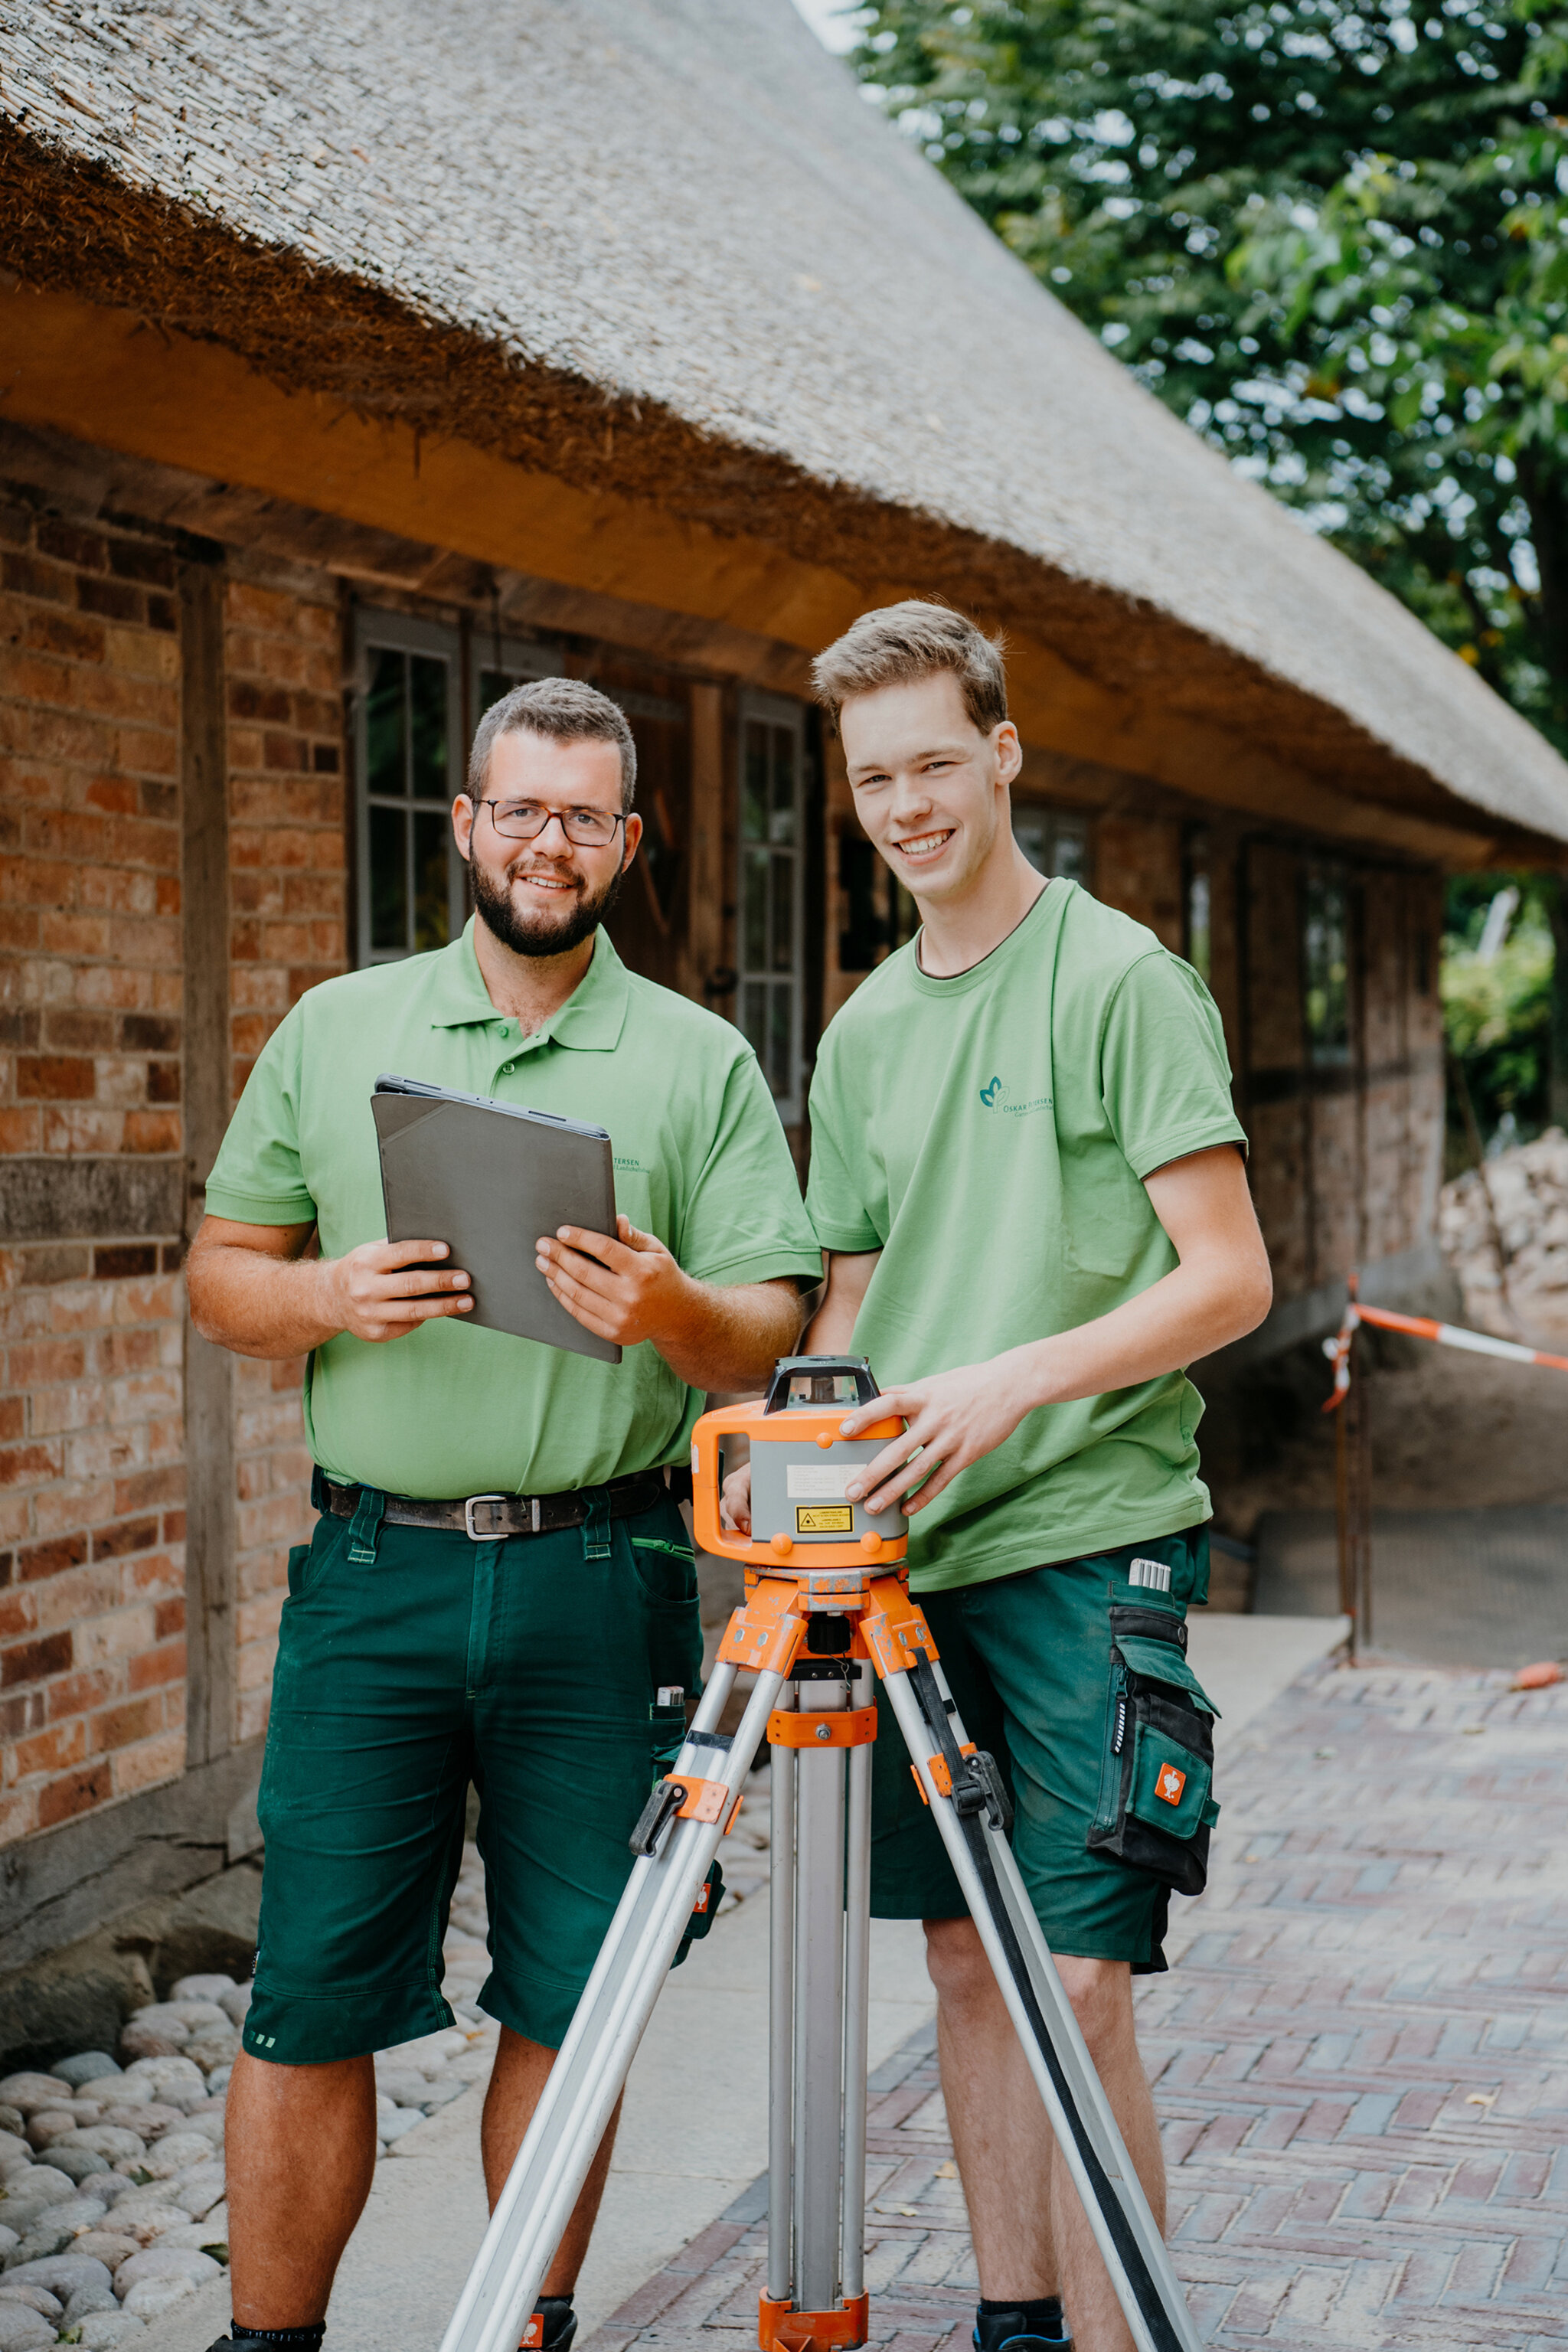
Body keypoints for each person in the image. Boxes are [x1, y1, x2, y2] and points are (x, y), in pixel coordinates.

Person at [188, 677, 823, 2352]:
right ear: (463, 823)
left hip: (599, 1582)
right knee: (308, 1997)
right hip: (372, 1576)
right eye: (519, 808)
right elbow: (218, 1277)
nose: (550, 842)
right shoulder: (336, 1028)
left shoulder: (697, 1060)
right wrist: (328, 1288)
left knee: (570, 1993)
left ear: (628, 841)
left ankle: (520, 2329)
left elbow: (771, 1322)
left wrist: (671, 1312)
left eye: (584, 816)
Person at [723, 604, 1272, 2352]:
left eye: (934, 765)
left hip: (1089, 1539)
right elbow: (860, 1298)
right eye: (872, 777)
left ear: (1004, 756)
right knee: (964, 1965)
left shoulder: (1120, 981)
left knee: (1079, 1980)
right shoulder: (867, 1029)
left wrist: (1012, 1383)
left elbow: (1228, 1276)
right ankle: (1013, 2328)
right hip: (908, 1565)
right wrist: (818, 1462)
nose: (904, 805)